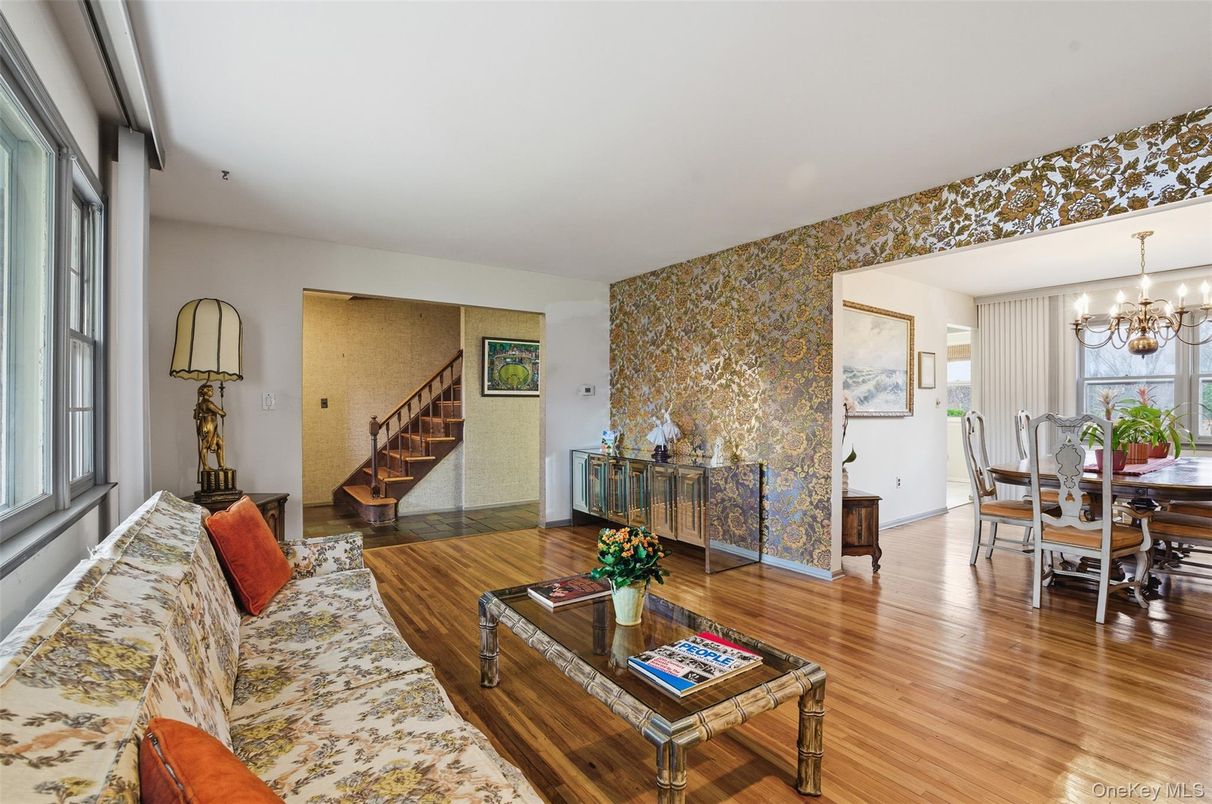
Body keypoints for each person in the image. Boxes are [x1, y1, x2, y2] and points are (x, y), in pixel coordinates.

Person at [194, 383, 227, 479]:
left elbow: (195, 416)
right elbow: (222, 413)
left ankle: (221, 466)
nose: (212, 392)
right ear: (206, 392)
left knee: (220, 443)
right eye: (211, 390)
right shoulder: (208, 403)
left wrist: (203, 415)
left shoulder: (200, 404)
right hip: (209, 427)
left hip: (210, 426)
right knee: (205, 445)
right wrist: (221, 412)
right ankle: (205, 467)